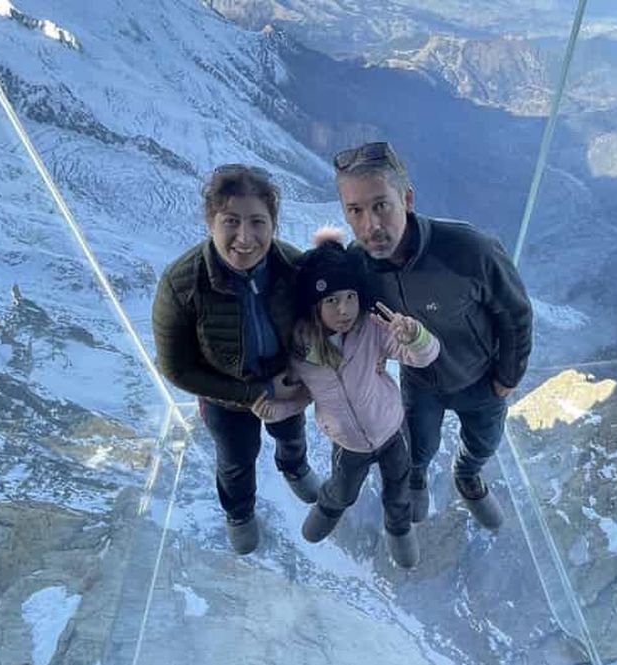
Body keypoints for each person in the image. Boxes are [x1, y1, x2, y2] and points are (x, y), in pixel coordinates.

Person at [332, 142, 533, 530]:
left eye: (381, 205)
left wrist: (509, 376)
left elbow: (515, 312)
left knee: (484, 443)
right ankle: (416, 481)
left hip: (481, 378)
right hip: (420, 381)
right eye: (355, 211)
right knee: (418, 447)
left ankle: (467, 476)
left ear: (406, 199)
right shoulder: (357, 266)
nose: (370, 225)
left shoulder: (468, 250)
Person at [151, 164, 320, 555]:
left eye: (258, 222)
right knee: (235, 460)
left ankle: (293, 467)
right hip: (225, 399)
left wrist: (299, 374)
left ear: (273, 224)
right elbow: (176, 367)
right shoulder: (182, 284)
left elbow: (317, 321)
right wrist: (255, 392)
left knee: (291, 433)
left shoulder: (292, 267)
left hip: (284, 382)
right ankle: (240, 513)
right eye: (231, 221)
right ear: (210, 221)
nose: (245, 238)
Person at [251, 229, 440, 568]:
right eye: (332, 300)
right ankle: (329, 508)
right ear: (314, 305)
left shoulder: (371, 328)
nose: (344, 309)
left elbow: (423, 357)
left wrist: (415, 337)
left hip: (391, 429)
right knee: (343, 488)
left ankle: (398, 529)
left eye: (351, 296)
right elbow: (303, 396)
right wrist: (277, 410)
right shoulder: (301, 351)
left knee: (399, 487)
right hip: (348, 442)